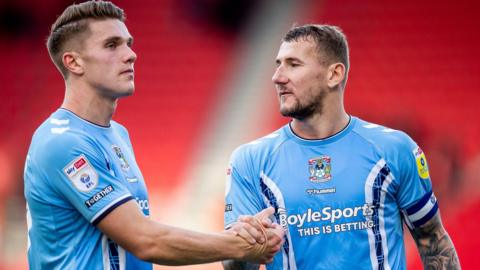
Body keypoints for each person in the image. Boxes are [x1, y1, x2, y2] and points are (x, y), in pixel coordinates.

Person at [23, 1, 284, 269]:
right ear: (74, 62)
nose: (130, 55)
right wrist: (237, 245)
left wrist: (232, 240)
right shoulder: (62, 141)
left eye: (129, 43)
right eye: (112, 45)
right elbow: (146, 241)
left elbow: (141, 232)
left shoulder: (117, 134)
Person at [223, 24, 461, 269]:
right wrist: (245, 246)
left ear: (334, 74)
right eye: (278, 64)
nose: (278, 77)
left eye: (293, 65)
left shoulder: (395, 149)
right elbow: (235, 266)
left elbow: (433, 241)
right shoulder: (249, 160)